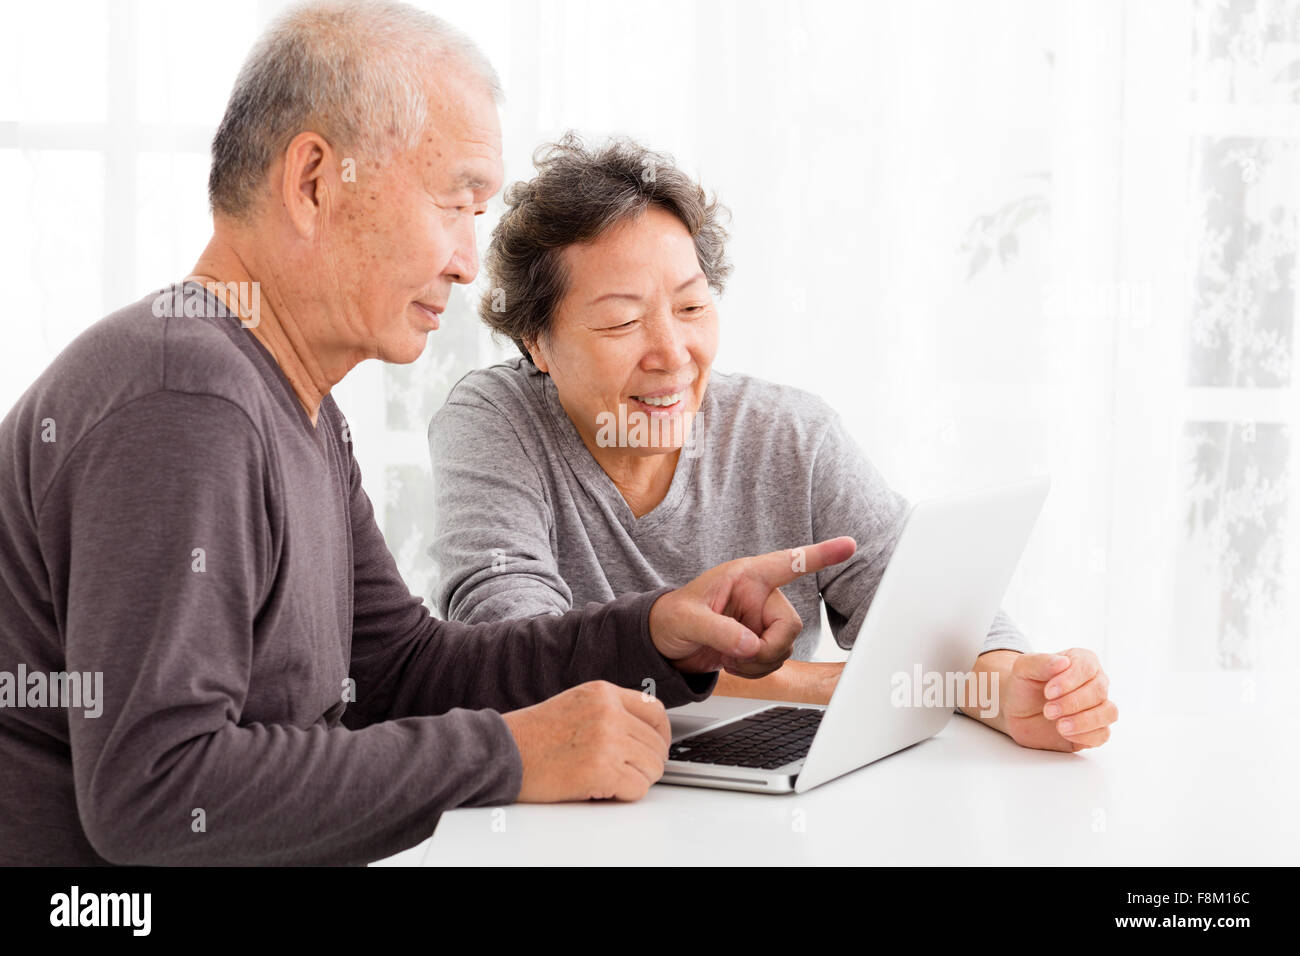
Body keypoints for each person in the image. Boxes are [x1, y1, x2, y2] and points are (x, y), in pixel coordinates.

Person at [0, 1, 856, 866]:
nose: (466, 259)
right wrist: (510, 755)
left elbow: (397, 675)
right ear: (314, 182)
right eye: (455, 201)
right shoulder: (186, 403)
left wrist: (654, 633)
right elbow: (158, 793)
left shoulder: (292, 404)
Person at [428, 134, 1118, 752]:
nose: (672, 354)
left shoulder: (790, 436)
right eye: (620, 322)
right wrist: (822, 685)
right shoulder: (497, 419)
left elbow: (931, 617)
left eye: (693, 307)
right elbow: (509, 653)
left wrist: (1016, 691)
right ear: (535, 341)